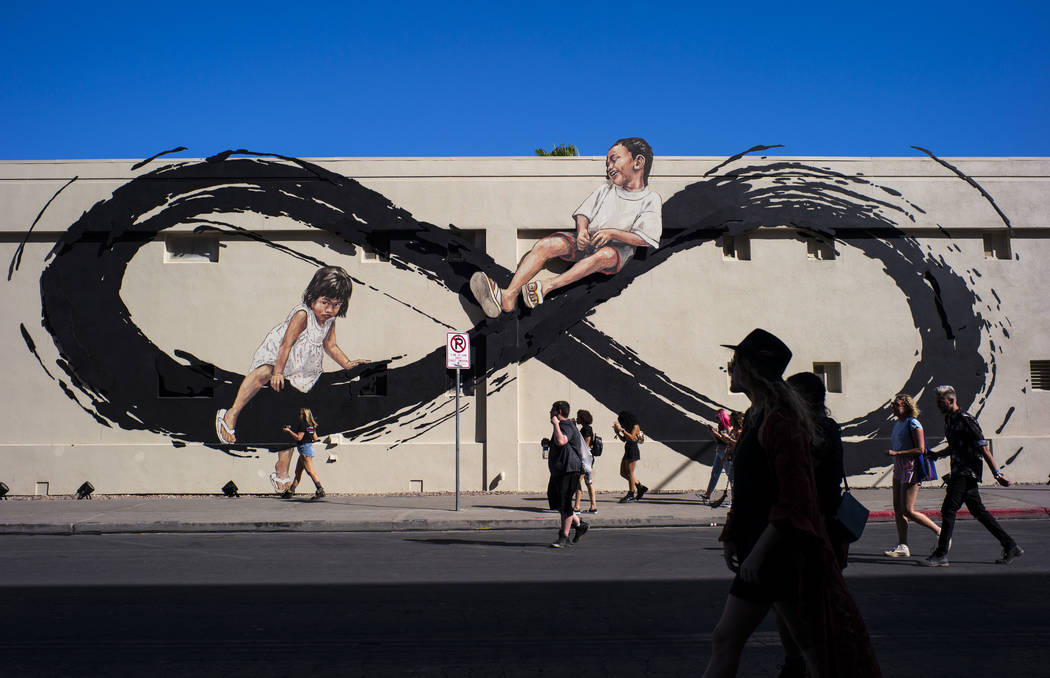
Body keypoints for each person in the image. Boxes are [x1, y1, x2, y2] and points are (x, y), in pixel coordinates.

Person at [704, 329, 880, 678]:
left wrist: (756, 553)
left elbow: (796, 501)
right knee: (734, 639)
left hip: (782, 556)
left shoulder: (780, 423)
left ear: (751, 369)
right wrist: (731, 535)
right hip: (764, 553)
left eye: (735, 364)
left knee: (814, 647)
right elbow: (751, 490)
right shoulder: (757, 416)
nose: (730, 370)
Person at [469, 138, 662, 316]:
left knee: (604, 256)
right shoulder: (605, 189)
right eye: (607, 163)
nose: (609, 167)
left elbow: (646, 239)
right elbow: (583, 214)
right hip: (588, 242)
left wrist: (613, 233)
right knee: (546, 245)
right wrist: (582, 231)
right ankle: (508, 294)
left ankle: (547, 286)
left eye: (614, 160)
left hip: (617, 252)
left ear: (638, 162)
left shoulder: (649, 199)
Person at [215, 266, 369, 445]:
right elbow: (286, 345)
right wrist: (278, 372)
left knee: (306, 389)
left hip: (301, 362)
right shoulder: (303, 315)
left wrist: (348, 364)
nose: (329, 309)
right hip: (279, 356)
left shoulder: (329, 321)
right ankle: (232, 413)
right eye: (325, 302)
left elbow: (331, 346)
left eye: (336, 305)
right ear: (312, 297)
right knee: (264, 372)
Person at [922, 385, 1023, 567]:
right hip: (959, 470)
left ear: (951, 400)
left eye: (940, 402)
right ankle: (1011, 546)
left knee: (948, 510)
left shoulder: (966, 419)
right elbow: (955, 445)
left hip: (966, 472)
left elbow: (982, 446)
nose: (938, 406)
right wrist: (937, 455)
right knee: (979, 512)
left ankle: (941, 554)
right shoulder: (950, 419)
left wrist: (997, 473)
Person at [882, 393, 941, 558]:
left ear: (907, 407)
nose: (893, 407)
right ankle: (903, 545)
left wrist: (897, 452)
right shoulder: (898, 424)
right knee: (897, 507)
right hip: (899, 465)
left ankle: (939, 531)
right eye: (893, 404)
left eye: (897, 404)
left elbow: (921, 449)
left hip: (911, 467)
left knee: (907, 510)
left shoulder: (913, 423)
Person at [546, 401, 588, 548]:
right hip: (559, 471)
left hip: (569, 470)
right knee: (555, 500)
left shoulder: (567, 426)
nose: (550, 412)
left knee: (564, 503)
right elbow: (558, 444)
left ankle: (564, 537)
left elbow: (562, 441)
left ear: (558, 412)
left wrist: (556, 424)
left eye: (552, 410)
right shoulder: (564, 426)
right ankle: (579, 524)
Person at [282, 408, 325, 499]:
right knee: (298, 472)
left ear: (304, 415)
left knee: (310, 471)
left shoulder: (302, 424)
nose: (299, 415)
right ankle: (291, 491)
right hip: (306, 449)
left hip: (304, 450)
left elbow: (299, 438)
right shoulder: (310, 425)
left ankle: (320, 490)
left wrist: (289, 431)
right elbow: (315, 438)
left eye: (300, 414)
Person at [701, 409, 740, 506]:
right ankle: (708, 494)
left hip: (725, 450)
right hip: (720, 450)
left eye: (718, 417)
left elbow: (727, 441)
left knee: (731, 476)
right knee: (715, 472)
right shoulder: (721, 426)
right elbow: (719, 440)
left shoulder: (729, 428)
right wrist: (713, 433)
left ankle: (734, 500)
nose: (717, 419)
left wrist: (717, 434)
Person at [613, 410, 648, 503]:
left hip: (633, 449)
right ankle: (640, 487)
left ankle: (631, 493)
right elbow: (625, 439)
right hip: (627, 449)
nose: (621, 423)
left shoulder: (635, 426)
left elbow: (632, 437)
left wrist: (622, 430)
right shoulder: (627, 427)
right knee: (623, 473)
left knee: (630, 473)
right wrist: (617, 432)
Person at [573, 409, 599, 514]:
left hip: (584, 459)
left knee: (577, 482)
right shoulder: (586, 428)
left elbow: (586, 443)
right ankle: (593, 506)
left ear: (582, 419)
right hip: (588, 459)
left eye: (578, 417)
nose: (577, 418)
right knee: (588, 482)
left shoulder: (587, 429)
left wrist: (582, 455)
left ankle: (576, 507)